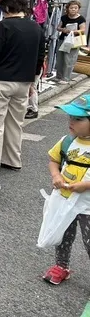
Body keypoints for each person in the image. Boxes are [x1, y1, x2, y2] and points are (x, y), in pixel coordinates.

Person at [0, 0, 45, 171]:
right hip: (24, 82)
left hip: (1, 81)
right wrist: (33, 82)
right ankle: (12, 160)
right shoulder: (36, 27)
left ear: (9, 7)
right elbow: (40, 57)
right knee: (15, 123)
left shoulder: (3, 26)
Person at [42, 94, 90, 285]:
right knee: (63, 234)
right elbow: (54, 160)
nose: (71, 122)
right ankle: (61, 266)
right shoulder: (67, 142)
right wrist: (56, 176)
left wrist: (85, 185)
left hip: (87, 205)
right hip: (65, 199)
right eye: (70, 117)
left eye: (78, 119)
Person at [55, 0, 86, 83]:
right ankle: (59, 76)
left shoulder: (81, 18)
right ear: (68, 8)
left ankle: (66, 78)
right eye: (71, 8)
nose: (73, 9)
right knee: (60, 58)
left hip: (74, 40)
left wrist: (74, 31)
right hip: (63, 39)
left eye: (75, 8)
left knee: (69, 59)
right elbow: (58, 27)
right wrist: (64, 30)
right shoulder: (64, 17)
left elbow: (83, 30)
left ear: (78, 9)